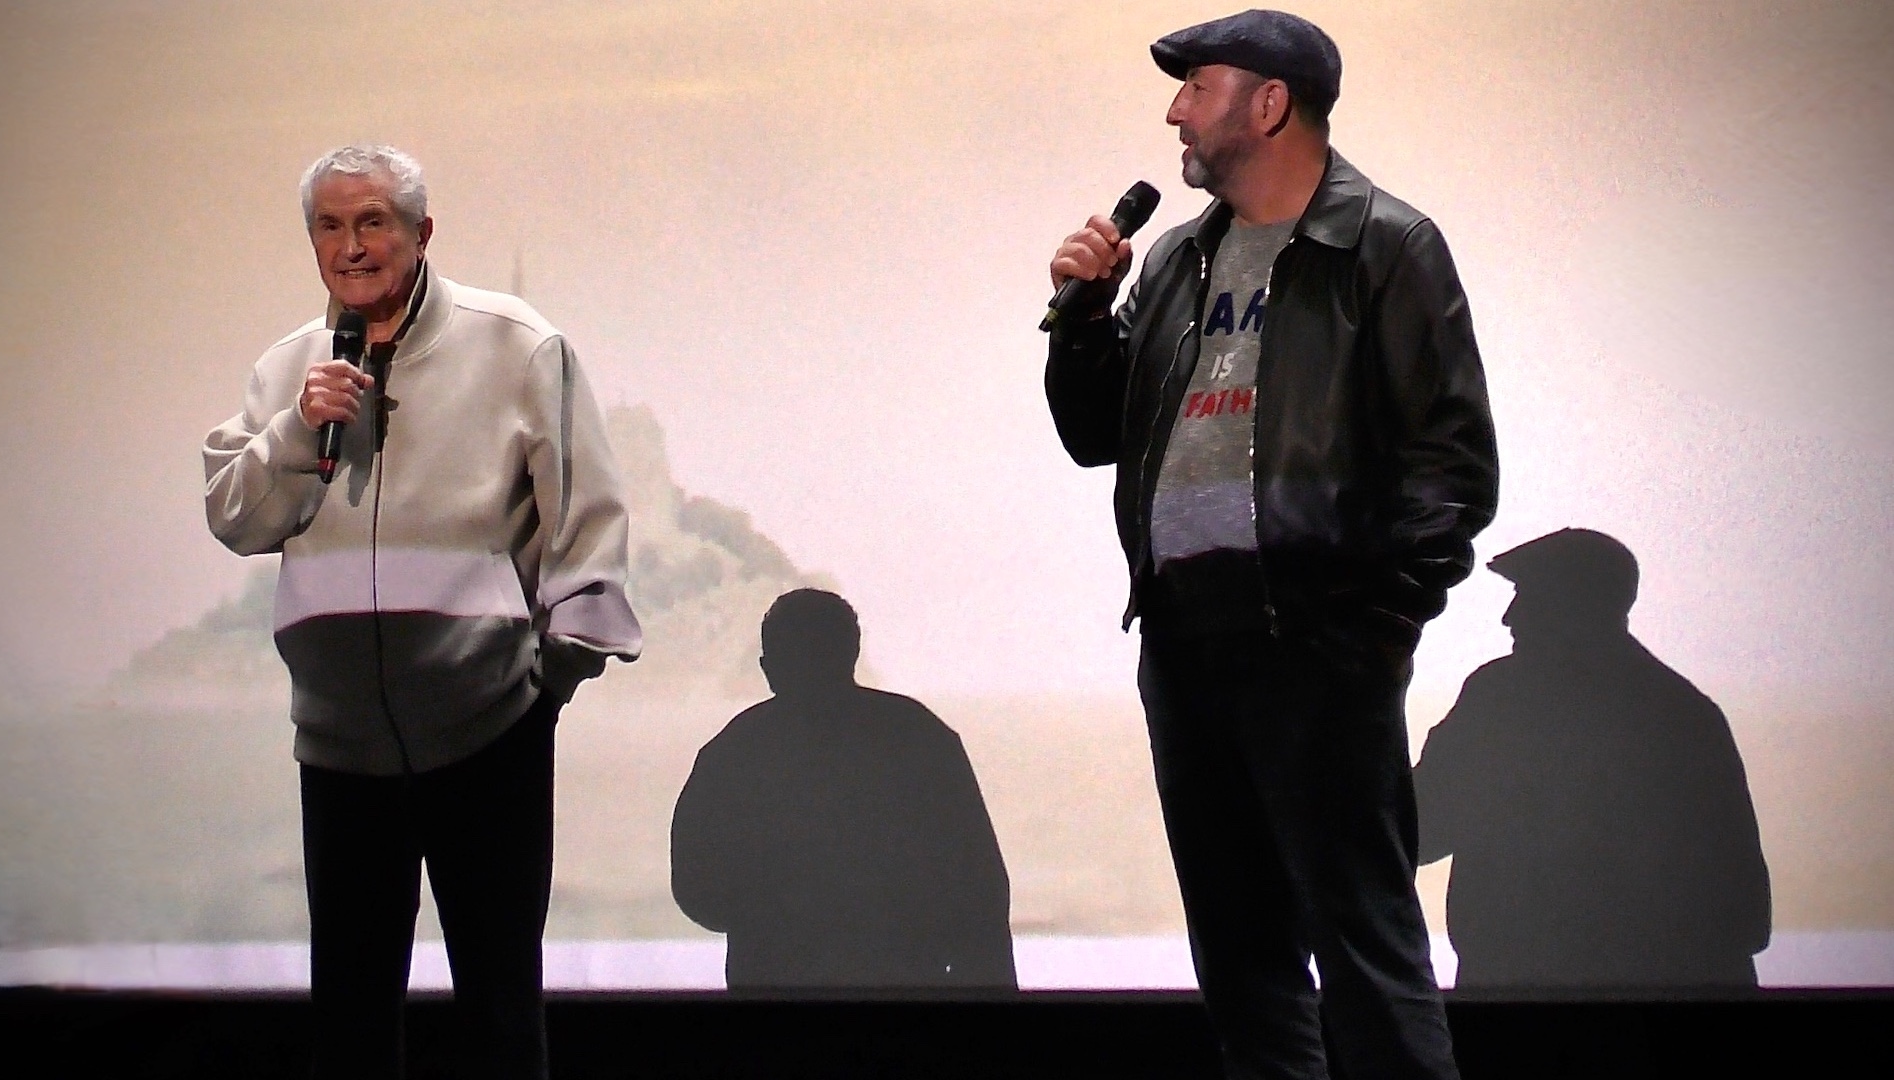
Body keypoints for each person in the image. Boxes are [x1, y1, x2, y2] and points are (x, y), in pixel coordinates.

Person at [1044, 10, 1497, 1080]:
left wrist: (1378, 626)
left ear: (1269, 104)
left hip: (1320, 638)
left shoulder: (1384, 247)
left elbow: (1449, 458)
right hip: (1186, 640)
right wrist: (1084, 320)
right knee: (1241, 955)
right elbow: (1094, 435)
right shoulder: (1176, 257)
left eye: (1196, 89)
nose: (1175, 113)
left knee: (1363, 942)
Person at [204, 144, 641, 1079]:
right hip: (339, 746)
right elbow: (235, 517)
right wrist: (296, 428)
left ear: (421, 231)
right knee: (350, 1019)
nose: (351, 247)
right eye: (330, 226)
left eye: (373, 223)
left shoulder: (518, 345)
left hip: (490, 733)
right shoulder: (289, 368)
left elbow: (589, 522)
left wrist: (548, 682)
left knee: (500, 1011)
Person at [1415, 529, 1771, 991]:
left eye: (1530, 596)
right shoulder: (1684, 714)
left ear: (1573, 605)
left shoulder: (1500, 699)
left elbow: (1422, 829)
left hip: (1543, 1004)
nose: (1510, 617)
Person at [670, 589, 1016, 992]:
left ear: (769, 666)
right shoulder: (919, 735)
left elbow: (696, 889)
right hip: (906, 979)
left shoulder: (734, 751)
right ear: (852, 652)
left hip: (772, 978)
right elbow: (980, 884)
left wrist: (766, 912)